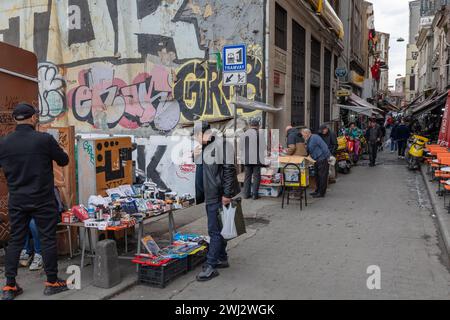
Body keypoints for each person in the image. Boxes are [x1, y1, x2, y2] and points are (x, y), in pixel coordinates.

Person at [0, 103, 69, 300]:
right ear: (32, 118)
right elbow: (63, 160)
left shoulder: (4, 143)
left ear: (15, 120)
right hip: (42, 199)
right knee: (47, 238)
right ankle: (52, 282)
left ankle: (10, 287)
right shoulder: (44, 140)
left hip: (17, 200)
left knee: (15, 241)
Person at [194, 121, 240, 282]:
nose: (196, 139)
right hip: (210, 194)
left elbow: (229, 169)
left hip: (218, 194)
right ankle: (222, 257)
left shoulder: (222, 145)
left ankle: (211, 265)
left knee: (214, 230)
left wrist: (227, 194)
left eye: (197, 135)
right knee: (220, 227)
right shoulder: (206, 147)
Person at [240, 119, 266, 200]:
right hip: (257, 159)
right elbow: (263, 147)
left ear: (250, 125)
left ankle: (246, 194)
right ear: (258, 125)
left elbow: (241, 147)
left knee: (247, 177)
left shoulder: (244, 134)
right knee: (256, 176)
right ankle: (255, 195)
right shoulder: (260, 134)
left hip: (247, 158)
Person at [301, 128, 331, 198]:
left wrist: (328, 157)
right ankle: (317, 190)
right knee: (317, 176)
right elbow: (309, 150)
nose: (303, 136)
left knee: (322, 176)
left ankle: (321, 193)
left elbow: (324, 147)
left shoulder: (315, 137)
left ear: (307, 133)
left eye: (303, 135)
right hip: (316, 160)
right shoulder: (308, 139)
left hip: (322, 159)